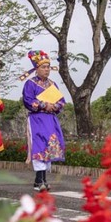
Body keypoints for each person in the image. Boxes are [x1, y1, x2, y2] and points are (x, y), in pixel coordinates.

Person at [21, 50, 66, 192]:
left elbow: (62, 101)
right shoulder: (30, 84)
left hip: (50, 120)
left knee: (49, 146)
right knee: (39, 146)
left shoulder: (53, 85)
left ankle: (42, 180)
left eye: (48, 67)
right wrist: (43, 105)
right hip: (37, 119)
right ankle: (39, 179)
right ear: (37, 69)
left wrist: (54, 106)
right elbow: (28, 100)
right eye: (43, 67)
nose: (46, 70)